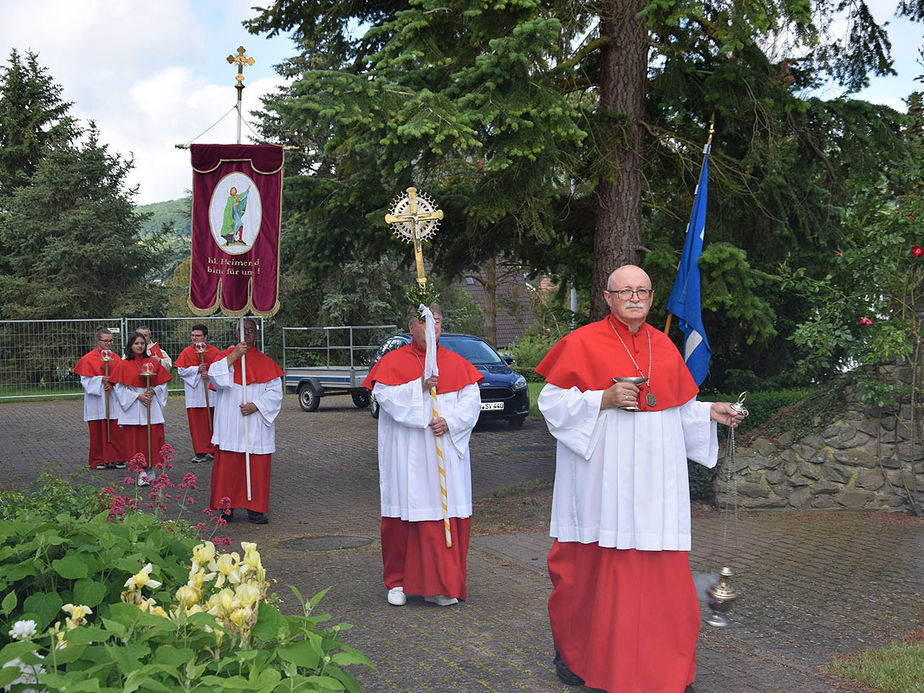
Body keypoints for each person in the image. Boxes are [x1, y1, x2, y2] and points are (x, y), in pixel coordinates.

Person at [535, 265, 743, 693]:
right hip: (599, 487)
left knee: (661, 582)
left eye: (643, 291)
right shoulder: (582, 341)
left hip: (654, 489)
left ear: (651, 297)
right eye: (625, 291)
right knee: (585, 576)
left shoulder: (664, 346)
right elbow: (551, 402)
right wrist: (602, 398)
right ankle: (583, 660)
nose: (635, 297)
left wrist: (709, 411)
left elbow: (674, 408)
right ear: (608, 297)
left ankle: (661, 669)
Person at [362, 305, 483, 607]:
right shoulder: (392, 363)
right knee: (403, 512)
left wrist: (450, 422)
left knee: (444, 512)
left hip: (444, 451)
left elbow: (471, 403)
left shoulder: (457, 364)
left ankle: (443, 584)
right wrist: (418, 386)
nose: (432, 327)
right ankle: (398, 582)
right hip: (407, 454)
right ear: (411, 326)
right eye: (425, 322)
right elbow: (385, 398)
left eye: (437, 321)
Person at [207, 318, 283, 524]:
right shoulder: (223, 359)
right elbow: (215, 378)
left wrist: (256, 405)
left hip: (254, 422)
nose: (247, 333)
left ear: (256, 334)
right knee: (229, 466)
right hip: (231, 422)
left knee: (256, 466)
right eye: (243, 330)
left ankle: (255, 508)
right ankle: (226, 508)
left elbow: (275, 394)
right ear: (236, 333)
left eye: (251, 330)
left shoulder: (267, 363)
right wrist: (233, 356)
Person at [112, 331, 172, 486]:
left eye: (142, 343)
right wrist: (137, 396)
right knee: (134, 440)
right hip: (134, 405)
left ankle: (151, 468)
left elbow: (163, 383)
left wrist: (153, 391)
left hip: (150, 402)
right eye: (136, 343)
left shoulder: (153, 362)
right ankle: (140, 471)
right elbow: (119, 388)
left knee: (152, 438)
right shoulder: (123, 364)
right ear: (130, 345)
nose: (139, 346)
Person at [73, 327, 126, 469]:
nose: (108, 344)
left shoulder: (116, 358)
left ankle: (117, 457)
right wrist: (101, 380)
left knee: (115, 430)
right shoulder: (88, 359)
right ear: (97, 341)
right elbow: (85, 380)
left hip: (112, 398)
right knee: (97, 431)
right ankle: (99, 459)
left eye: (110, 341)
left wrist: (113, 384)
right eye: (105, 341)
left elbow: (122, 377)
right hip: (96, 399)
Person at [175, 324, 221, 463]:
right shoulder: (186, 352)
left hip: (211, 394)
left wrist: (210, 374)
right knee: (197, 425)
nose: (195, 338)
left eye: (198, 335)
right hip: (195, 394)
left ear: (205, 337)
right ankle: (200, 451)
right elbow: (181, 371)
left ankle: (214, 449)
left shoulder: (214, 351)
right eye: (193, 335)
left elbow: (221, 369)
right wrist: (197, 370)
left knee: (213, 422)